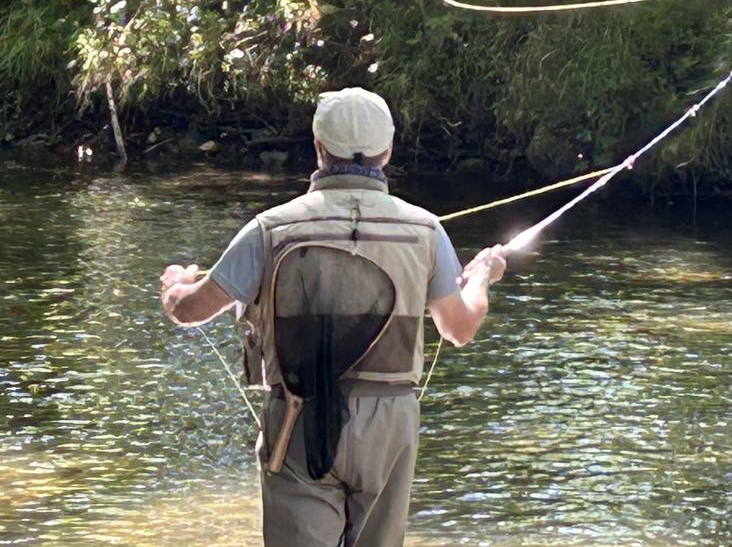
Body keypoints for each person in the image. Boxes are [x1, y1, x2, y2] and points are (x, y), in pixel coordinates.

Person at [159, 87, 506, 547]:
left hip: (298, 417)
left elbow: (190, 310)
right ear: (387, 152)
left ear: (319, 148)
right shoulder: (426, 230)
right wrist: (482, 276)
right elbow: (458, 329)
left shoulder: (270, 228)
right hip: (389, 421)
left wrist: (174, 287)